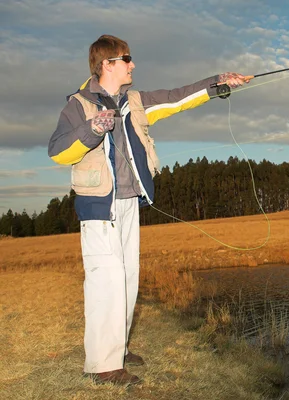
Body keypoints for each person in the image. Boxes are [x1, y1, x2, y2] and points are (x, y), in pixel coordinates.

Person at [48, 34, 251, 385]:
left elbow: (177, 99)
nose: (133, 64)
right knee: (105, 282)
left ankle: (118, 348)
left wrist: (217, 83)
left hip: (130, 204)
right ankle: (101, 366)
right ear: (107, 63)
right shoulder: (78, 105)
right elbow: (57, 151)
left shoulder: (135, 101)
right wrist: (92, 129)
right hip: (100, 208)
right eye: (127, 59)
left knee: (127, 280)